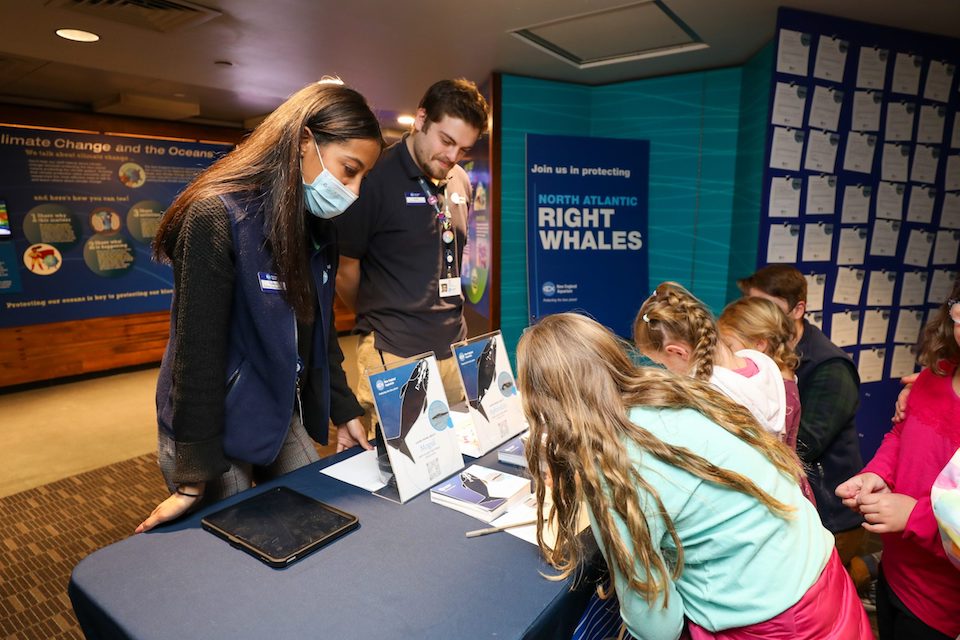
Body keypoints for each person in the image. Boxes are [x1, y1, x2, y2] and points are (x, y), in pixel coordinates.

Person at [517, 313, 872, 639]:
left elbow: (657, 624)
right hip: (824, 580)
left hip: (776, 621)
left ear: (545, 405)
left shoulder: (614, 471)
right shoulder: (674, 391)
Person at [137, 80, 380, 534]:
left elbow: (319, 331)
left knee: (313, 519)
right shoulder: (217, 214)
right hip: (211, 419)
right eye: (349, 170)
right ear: (305, 141)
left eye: (362, 176)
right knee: (239, 550)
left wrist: (343, 410)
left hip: (274, 408)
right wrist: (193, 477)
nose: (354, 189)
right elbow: (198, 352)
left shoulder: (318, 227)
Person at [333, 78, 490, 432]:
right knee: (403, 468)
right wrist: (382, 310)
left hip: (454, 347)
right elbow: (346, 270)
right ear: (421, 119)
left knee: (461, 458)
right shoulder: (374, 178)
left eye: (463, 149)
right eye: (446, 141)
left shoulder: (460, 181)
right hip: (395, 349)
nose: (452, 157)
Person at [836, 291, 960, 639]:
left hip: (940, 605)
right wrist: (876, 473)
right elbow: (901, 434)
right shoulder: (932, 378)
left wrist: (913, 517)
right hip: (895, 570)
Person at [737, 265, 865, 565]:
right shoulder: (762, 358)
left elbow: (806, 443)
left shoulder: (830, 367)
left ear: (798, 309)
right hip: (795, 505)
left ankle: (863, 569)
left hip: (828, 512)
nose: (759, 315)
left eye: (768, 307)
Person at [633, 282, 786, 437]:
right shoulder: (763, 365)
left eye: (663, 363)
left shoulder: (711, 395)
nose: (667, 369)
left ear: (678, 352)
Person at [718, 296, 816, 504]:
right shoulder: (775, 379)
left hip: (776, 485)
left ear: (760, 344)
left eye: (729, 344)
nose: (725, 352)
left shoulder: (778, 389)